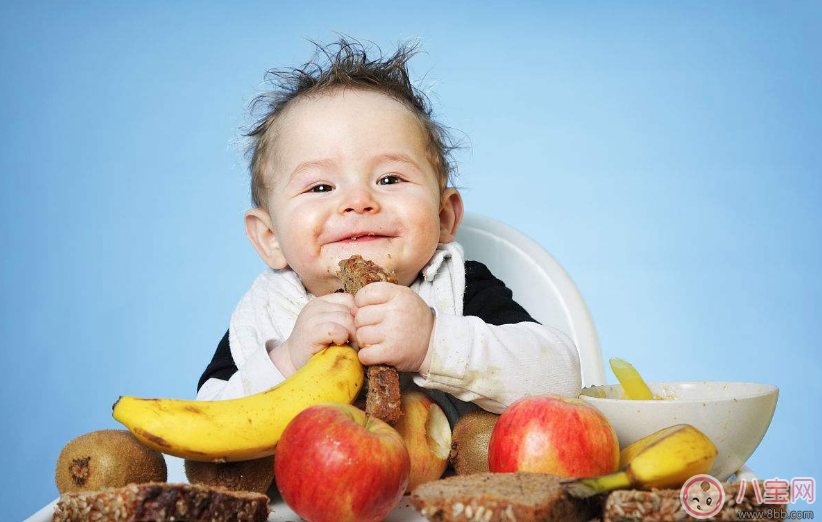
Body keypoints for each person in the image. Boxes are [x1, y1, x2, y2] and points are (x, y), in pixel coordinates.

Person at [196, 38, 581, 425]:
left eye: (390, 178)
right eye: (321, 187)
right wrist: (287, 360)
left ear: (445, 217)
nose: (358, 200)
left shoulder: (460, 288)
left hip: (455, 483)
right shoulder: (267, 313)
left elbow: (561, 379)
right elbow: (205, 426)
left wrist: (433, 343)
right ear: (270, 239)